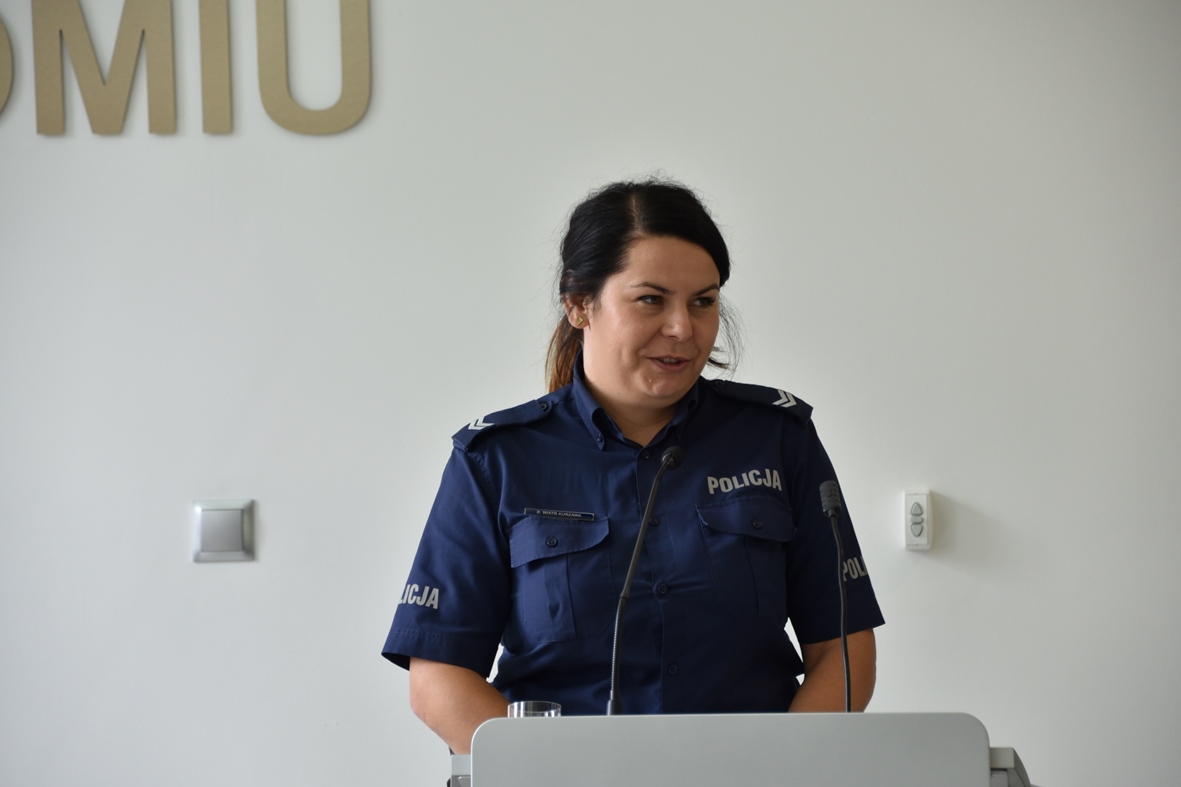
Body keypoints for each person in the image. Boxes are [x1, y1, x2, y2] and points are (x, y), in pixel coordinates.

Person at [382, 179, 884, 754]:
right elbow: (438, 679)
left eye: (703, 301)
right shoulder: (496, 458)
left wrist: (776, 773)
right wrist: (555, 778)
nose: (682, 328)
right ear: (579, 305)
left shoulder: (776, 439)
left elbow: (844, 650)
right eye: (651, 299)